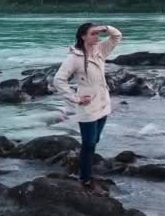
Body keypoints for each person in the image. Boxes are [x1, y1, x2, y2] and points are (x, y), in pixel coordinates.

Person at [52, 23, 122, 194]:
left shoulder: (100, 50)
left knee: (94, 140)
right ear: (83, 36)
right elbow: (58, 80)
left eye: (97, 34)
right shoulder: (74, 58)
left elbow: (117, 36)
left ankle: (84, 167)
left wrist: (105, 27)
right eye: (93, 34)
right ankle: (85, 178)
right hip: (88, 105)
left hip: (103, 103)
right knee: (89, 143)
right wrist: (75, 98)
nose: (96, 37)